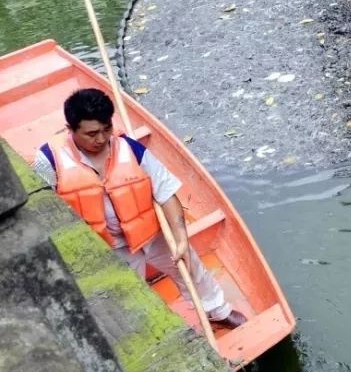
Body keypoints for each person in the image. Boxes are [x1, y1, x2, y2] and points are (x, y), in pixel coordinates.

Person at [33, 88, 246, 329]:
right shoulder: (49, 160)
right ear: (70, 129)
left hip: (150, 233)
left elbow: (166, 192)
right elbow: (40, 209)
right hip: (106, 247)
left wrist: (181, 240)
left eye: (106, 129)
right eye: (91, 134)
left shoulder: (129, 148)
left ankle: (217, 310)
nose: (101, 139)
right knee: (124, 300)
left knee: (190, 265)